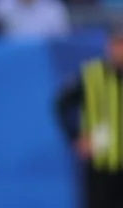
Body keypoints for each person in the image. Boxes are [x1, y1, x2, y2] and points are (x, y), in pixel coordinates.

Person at [55, 26, 123, 208]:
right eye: (117, 43)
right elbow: (62, 106)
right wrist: (76, 137)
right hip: (100, 162)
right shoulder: (91, 74)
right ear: (109, 45)